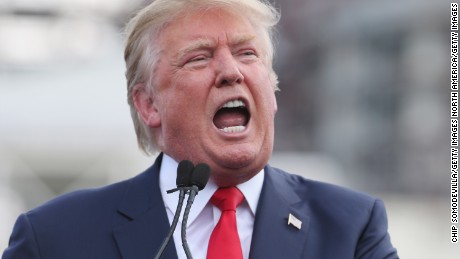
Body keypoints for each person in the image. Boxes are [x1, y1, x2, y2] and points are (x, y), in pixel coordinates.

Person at [2, 0, 399, 258]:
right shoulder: (53, 239)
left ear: (273, 93)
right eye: (199, 58)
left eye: (247, 54)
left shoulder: (351, 228)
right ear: (148, 104)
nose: (231, 71)